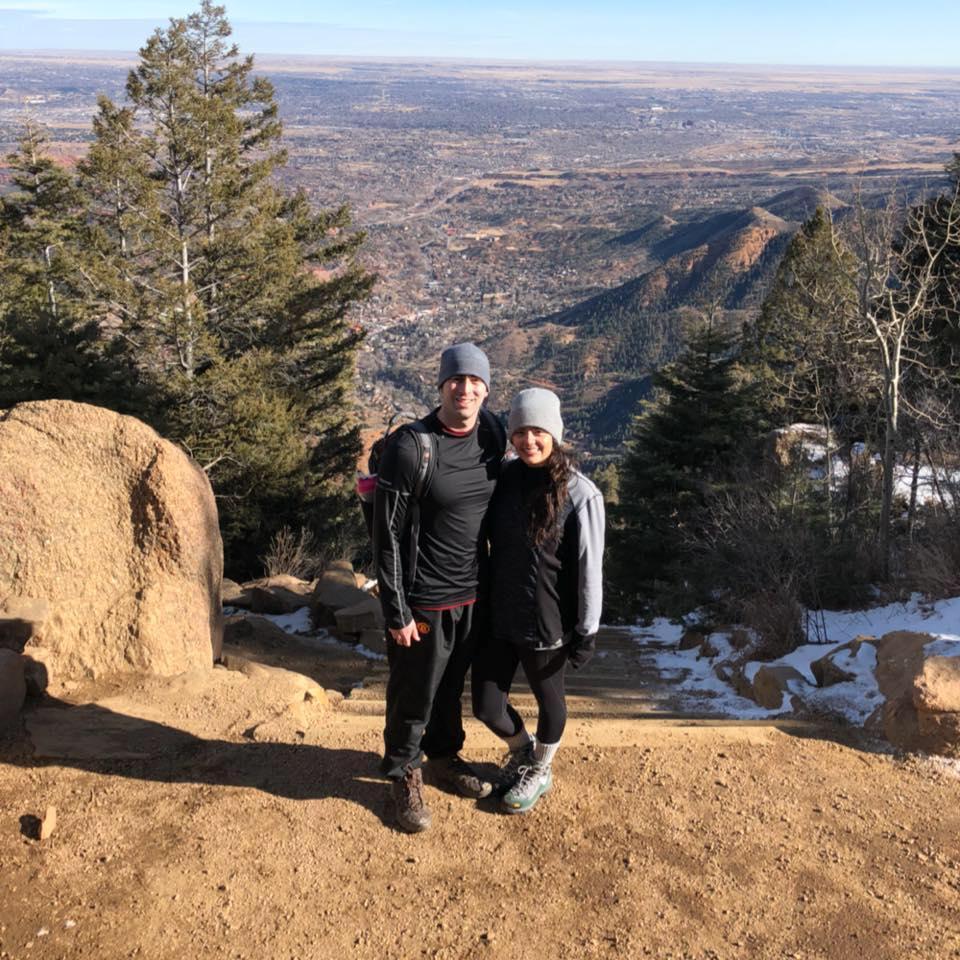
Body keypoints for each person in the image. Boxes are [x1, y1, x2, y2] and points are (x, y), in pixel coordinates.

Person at [373, 342, 505, 833]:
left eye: (474, 381)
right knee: (414, 692)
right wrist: (396, 611)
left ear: (486, 389)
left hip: (473, 593)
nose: (464, 389)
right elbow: (386, 534)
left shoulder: (492, 433)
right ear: (441, 385)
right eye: (456, 380)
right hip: (424, 598)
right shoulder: (412, 447)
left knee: (451, 687)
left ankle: (444, 757)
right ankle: (402, 772)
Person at [473, 387, 605, 814]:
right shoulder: (504, 480)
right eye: (520, 432)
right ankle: (524, 751)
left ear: (554, 434)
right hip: (500, 615)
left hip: (547, 620)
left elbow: (589, 567)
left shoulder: (580, 494)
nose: (528, 440)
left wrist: (587, 629)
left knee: (551, 703)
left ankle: (541, 768)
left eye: (538, 431)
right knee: (486, 706)